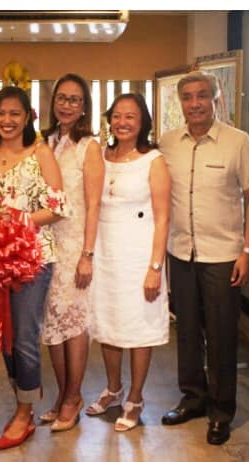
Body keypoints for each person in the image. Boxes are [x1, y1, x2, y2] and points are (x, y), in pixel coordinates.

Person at [159, 70, 249, 445]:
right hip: (180, 252)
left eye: (202, 95)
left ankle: (221, 411)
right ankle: (193, 398)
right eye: (188, 97)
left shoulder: (237, 141)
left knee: (221, 336)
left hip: (223, 255)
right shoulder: (167, 143)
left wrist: (247, 252)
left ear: (215, 98)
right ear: (180, 102)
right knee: (187, 332)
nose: (195, 103)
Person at [0, 85, 69, 449]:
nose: (7, 120)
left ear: (27, 117)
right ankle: (22, 398)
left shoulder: (40, 153)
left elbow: (58, 207)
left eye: (15, 113)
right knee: (5, 337)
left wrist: (15, 224)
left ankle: (25, 413)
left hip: (32, 258)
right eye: (1, 113)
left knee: (24, 336)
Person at [84, 93, 170, 432]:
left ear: (143, 122)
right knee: (108, 324)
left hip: (139, 257)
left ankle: (135, 397)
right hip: (106, 253)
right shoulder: (100, 157)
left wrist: (155, 268)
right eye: (117, 116)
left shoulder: (154, 161)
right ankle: (113, 389)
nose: (122, 122)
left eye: (130, 116)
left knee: (138, 327)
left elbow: (162, 219)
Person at [40, 73, 104, 432]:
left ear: (84, 107)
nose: (66, 105)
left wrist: (87, 254)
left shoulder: (89, 147)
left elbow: (94, 205)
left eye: (74, 99)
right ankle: (62, 394)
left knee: (75, 324)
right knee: (52, 323)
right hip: (46, 244)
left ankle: (73, 397)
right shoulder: (45, 142)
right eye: (61, 98)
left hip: (76, 245)